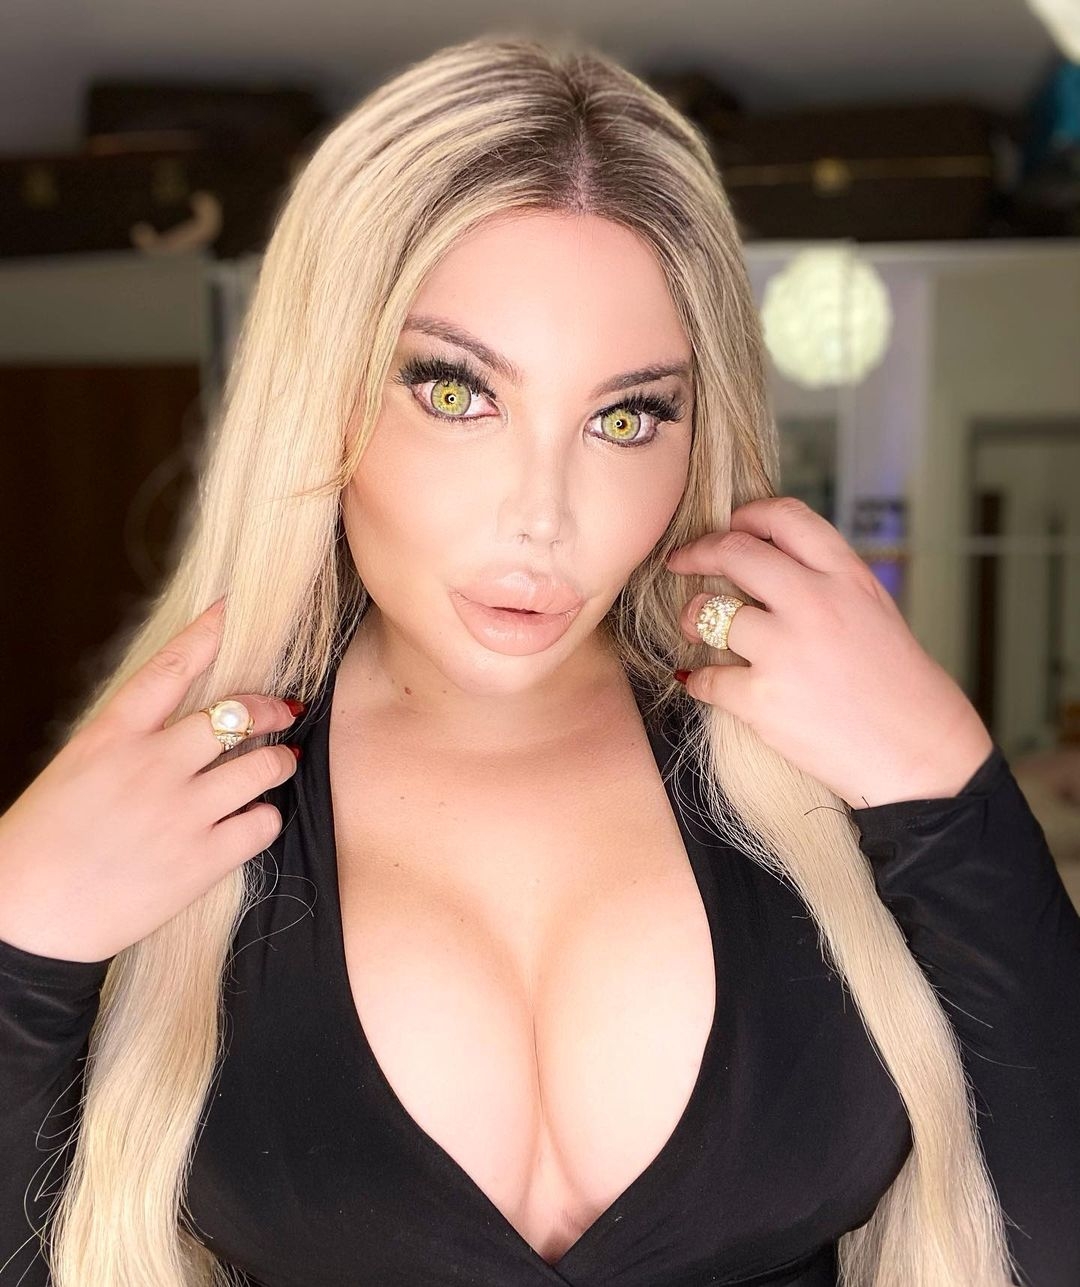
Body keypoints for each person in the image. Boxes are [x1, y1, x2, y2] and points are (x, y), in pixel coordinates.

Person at [1, 29, 1078, 1287]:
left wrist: (949, 787)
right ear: (322, 393)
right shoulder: (166, 831)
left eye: (626, 416)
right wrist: (18, 936)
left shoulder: (811, 789)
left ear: (698, 431)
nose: (544, 517)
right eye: (458, 393)